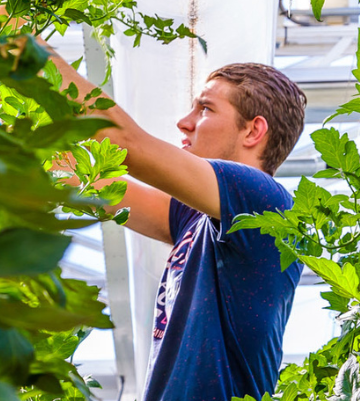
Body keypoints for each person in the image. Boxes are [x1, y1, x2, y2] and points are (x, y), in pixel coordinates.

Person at [39, 39, 307, 401]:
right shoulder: (196, 220)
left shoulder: (263, 202)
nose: (185, 122)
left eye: (206, 109)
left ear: (253, 131)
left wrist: (32, 49)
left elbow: (123, 144)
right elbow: (87, 179)